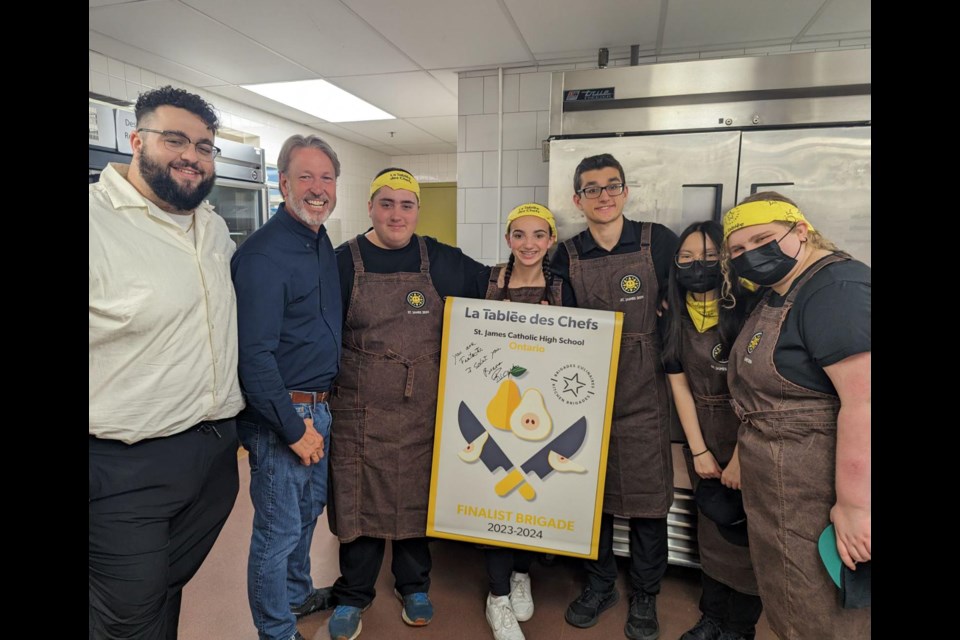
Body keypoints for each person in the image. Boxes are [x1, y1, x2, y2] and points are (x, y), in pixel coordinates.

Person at [89, 85, 245, 639]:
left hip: (212, 456)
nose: (192, 155)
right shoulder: (95, 223)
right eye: (174, 139)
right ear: (135, 141)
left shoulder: (212, 229)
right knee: (124, 618)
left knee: (163, 594)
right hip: (125, 467)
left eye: (205, 146)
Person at [326, 168, 489, 640]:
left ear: (417, 210)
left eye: (407, 204)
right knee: (359, 502)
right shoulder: (342, 262)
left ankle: (414, 585)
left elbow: (494, 289)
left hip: (423, 409)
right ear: (370, 207)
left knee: (419, 499)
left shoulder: (438, 258)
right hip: (360, 411)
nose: (397, 214)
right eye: (387, 203)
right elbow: (318, 331)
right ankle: (354, 593)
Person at [721, 192, 871, 638]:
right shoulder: (780, 291)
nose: (751, 255)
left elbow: (864, 403)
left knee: (823, 614)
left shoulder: (837, 290)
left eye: (763, 239)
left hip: (816, 494)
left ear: (800, 231)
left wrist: (855, 506)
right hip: (781, 488)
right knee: (792, 604)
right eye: (738, 250)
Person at [552, 153, 680, 640]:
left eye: (612, 186)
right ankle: (600, 583)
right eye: (592, 188)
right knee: (590, 496)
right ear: (577, 199)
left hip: (646, 389)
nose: (603, 195)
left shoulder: (657, 241)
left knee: (649, 500)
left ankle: (646, 595)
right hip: (584, 391)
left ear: (625, 192)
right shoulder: (566, 254)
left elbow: (684, 301)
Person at [230, 134, 344, 640]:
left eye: (326, 177)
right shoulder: (262, 255)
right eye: (306, 176)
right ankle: (276, 631)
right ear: (282, 183)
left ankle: (296, 596)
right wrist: (295, 429)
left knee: (307, 514)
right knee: (276, 532)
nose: (318, 188)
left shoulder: (320, 242)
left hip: (319, 408)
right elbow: (253, 357)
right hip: (284, 416)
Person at [661, 220, 762, 640]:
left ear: (725, 261)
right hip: (702, 434)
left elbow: (759, 397)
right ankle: (713, 616)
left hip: (749, 437)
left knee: (746, 534)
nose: (695, 265)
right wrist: (699, 451)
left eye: (707, 257)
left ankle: (739, 627)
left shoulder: (750, 309)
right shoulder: (673, 313)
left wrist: (741, 458)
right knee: (712, 526)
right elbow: (679, 386)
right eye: (686, 258)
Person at [480, 202, 573, 640]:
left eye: (539, 235)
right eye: (520, 235)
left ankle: (521, 572)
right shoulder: (489, 282)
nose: (529, 244)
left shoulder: (563, 288)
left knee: (528, 496)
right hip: (496, 406)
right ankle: (497, 596)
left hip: (543, 409)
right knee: (497, 499)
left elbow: (578, 344)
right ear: (508, 239)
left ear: (551, 240)